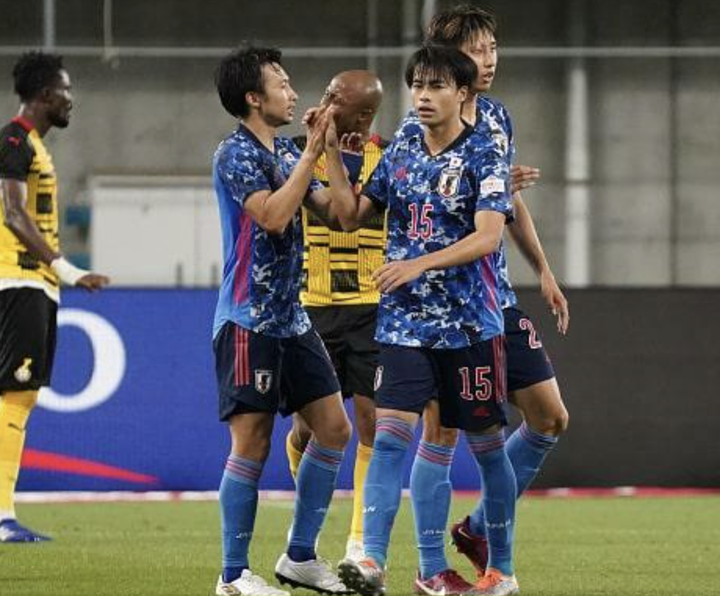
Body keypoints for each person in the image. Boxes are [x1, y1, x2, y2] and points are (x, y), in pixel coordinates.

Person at [328, 46, 519, 596]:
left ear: (463, 93)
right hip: (404, 326)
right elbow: (351, 215)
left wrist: (418, 263)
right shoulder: (405, 145)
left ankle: (502, 570)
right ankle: (371, 559)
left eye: (436, 86)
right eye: (417, 86)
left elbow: (488, 236)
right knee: (390, 438)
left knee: (487, 448)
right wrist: (332, 154)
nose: (423, 96)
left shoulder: (485, 151)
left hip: (470, 326)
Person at [394, 6, 570, 590]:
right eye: (477, 50)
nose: (489, 60)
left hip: (494, 297)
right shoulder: (416, 131)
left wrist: (543, 269)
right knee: (442, 432)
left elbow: (506, 204)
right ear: (446, 58)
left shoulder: (495, 118)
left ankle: (474, 530)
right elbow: (403, 212)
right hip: (438, 310)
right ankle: (431, 569)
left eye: (493, 47)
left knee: (549, 416)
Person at [211, 45, 354, 596]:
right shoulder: (234, 154)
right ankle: (232, 576)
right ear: (254, 97)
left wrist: (329, 151)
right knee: (252, 443)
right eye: (282, 84)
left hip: (292, 320)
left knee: (334, 429)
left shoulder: (288, 152)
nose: (293, 94)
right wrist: (308, 153)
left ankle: (299, 556)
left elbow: (339, 215)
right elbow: (271, 216)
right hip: (248, 319)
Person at [0, 51, 109, 544]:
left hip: (35, 284)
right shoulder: (14, 139)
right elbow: (13, 214)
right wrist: (63, 267)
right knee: (16, 393)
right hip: (18, 280)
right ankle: (3, 517)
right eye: (65, 91)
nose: (71, 100)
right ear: (45, 95)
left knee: (19, 396)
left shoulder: (35, 146)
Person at [286, 69, 385, 564]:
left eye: (333, 97)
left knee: (371, 422)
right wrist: (318, 148)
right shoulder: (296, 154)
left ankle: (358, 541)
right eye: (324, 92)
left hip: (372, 308)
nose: (322, 102)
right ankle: (309, 521)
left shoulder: (389, 158)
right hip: (312, 305)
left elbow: (354, 216)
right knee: (311, 430)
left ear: (363, 114)